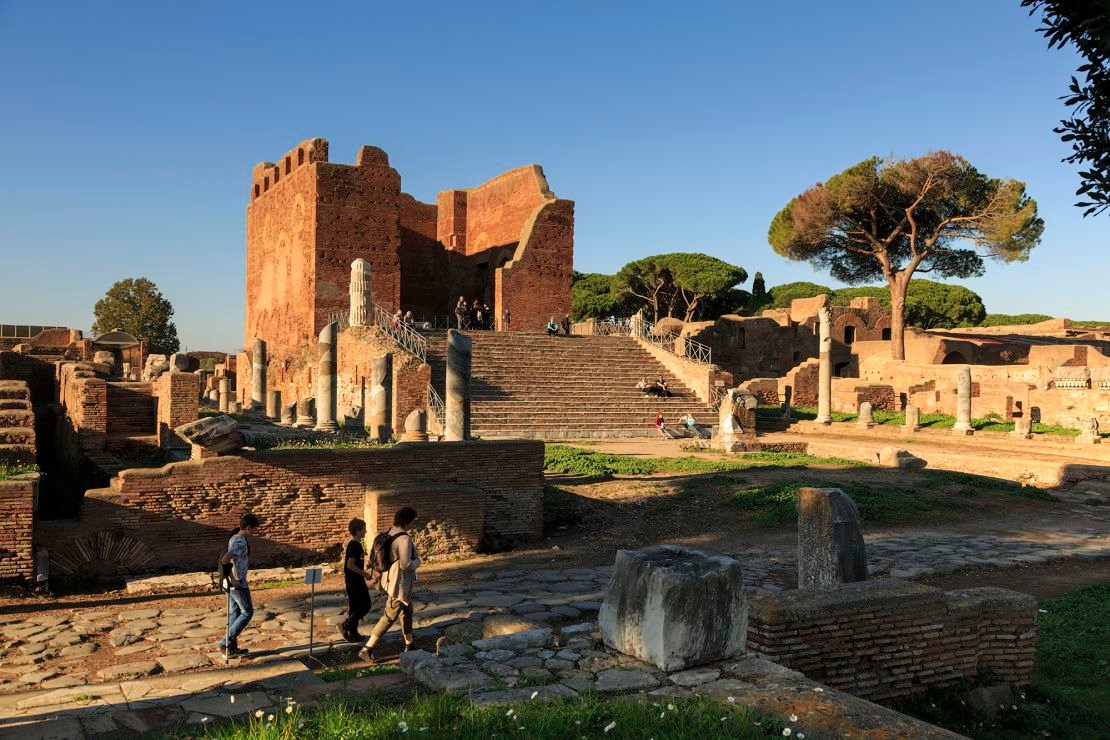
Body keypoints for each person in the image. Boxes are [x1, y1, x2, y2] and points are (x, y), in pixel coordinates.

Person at [360, 507, 421, 662]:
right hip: (398, 583)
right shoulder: (404, 539)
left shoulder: (389, 532)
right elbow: (406, 564)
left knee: (407, 611)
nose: (415, 522)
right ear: (408, 520)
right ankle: (367, 648)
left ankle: (410, 644)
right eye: (414, 519)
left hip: (388, 579)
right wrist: (417, 562)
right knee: (390, 615)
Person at [217, 512, 259, 658]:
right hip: (237, 583)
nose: (255, 532)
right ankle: (224, 642)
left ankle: (230, 649)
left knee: (235, 613)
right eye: (254, 529)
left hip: (231, 583)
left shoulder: (234, 538)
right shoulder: (240, 541)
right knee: (247, 612)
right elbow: (225, 559)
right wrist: (233, 578)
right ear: (248, 528)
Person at [340, 518, 375, 642]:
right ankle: (346, 624)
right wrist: (364, 574)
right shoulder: (355, 545)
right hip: (355, 580)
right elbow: (350, 565)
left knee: (354, 606)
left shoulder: (353, 543)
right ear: (358, 531)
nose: (366, 532)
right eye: (364, 529)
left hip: (351, 579)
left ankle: (353, 633)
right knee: (366, 605)